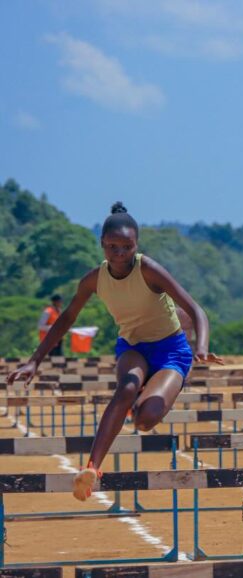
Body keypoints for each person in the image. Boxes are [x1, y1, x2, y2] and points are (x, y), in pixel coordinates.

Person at [5, 202, 222, 501]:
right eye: (112, 247)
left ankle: (149, 392)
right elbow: (67, 318)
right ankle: (91, 468)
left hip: (171, 350)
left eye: (127, 247)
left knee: (145, 421)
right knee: (126, 388)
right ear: (102, 244)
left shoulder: (149, 270)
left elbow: (195, 310)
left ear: (137, 245)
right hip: (133, 347)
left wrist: (202, 347)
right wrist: (34, 361)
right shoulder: (94, 280)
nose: (120, 253)